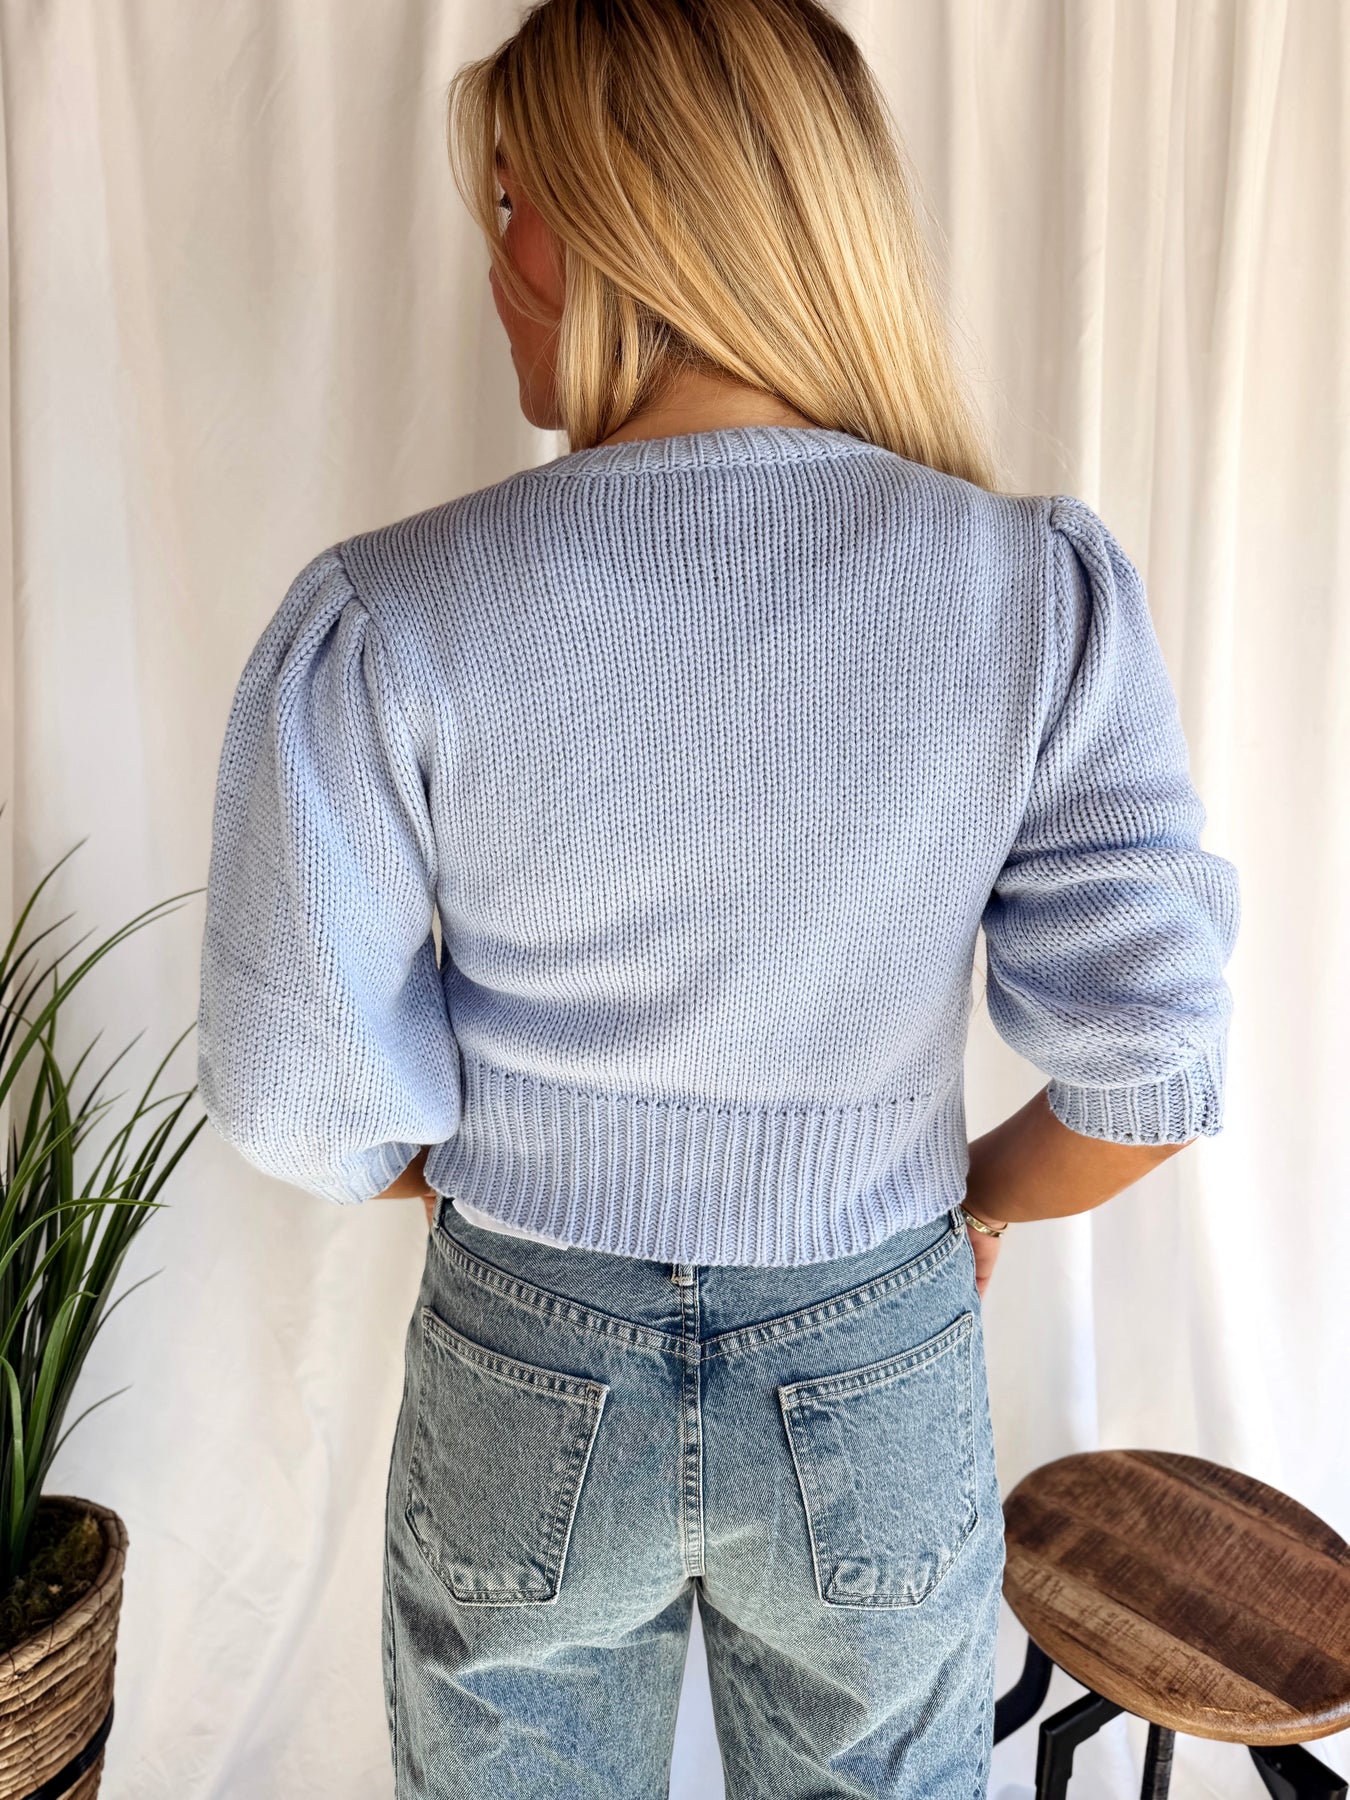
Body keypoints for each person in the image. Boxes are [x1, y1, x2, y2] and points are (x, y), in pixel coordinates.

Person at [196, 0, 1240, 1793]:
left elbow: (297, 1086)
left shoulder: (391, 611)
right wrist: (962, 1208)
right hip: (873, 1337)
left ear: (597, 226)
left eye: (507, 200)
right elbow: (1149, 1070)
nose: (492, 257)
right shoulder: (1025, 589)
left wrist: (466, 1172)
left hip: (527, 1350)